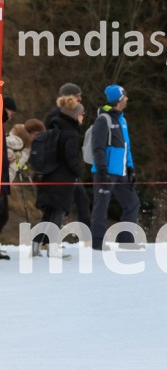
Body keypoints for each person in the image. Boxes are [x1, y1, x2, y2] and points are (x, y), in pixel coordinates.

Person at [90, 84, 141, 250]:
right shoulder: (103, 119)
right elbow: (97, 147)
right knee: (101, 206)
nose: (127, 99)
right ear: (119, 99)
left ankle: (126, 240)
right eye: (124, 96)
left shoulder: (122, 119)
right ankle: (97, 243)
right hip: (105, 171)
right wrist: (102, 170)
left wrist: (131, 168)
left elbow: (126, 147)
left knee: (132, 203)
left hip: (121, 172)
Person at [33, 97, 85, 258]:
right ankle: (52, 248)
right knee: (58, 212)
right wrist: (79, 171)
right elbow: (70, 157)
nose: (83, 117)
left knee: (49, 213)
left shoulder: (56, 128)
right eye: (82, 114)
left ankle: (35, 247)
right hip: (62, 179)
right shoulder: (71, 133)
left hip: (49, 176)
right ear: (75, 115)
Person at [45, 83, 91, 229]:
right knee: (60, 207)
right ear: (70, 97)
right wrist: (77, 168)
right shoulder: (60, 117)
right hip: (62, 169)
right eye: (78, 96)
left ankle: (86, 236)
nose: (81, 99)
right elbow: (62, 145)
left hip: (65, 169)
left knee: (79, 201)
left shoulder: (66, 115)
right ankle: (47, 241)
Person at [0, 96, 16, 260]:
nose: (12, 115)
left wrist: (6, 160)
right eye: (11, 111)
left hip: (3, 177)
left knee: (4, 215)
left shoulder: (2, 126)